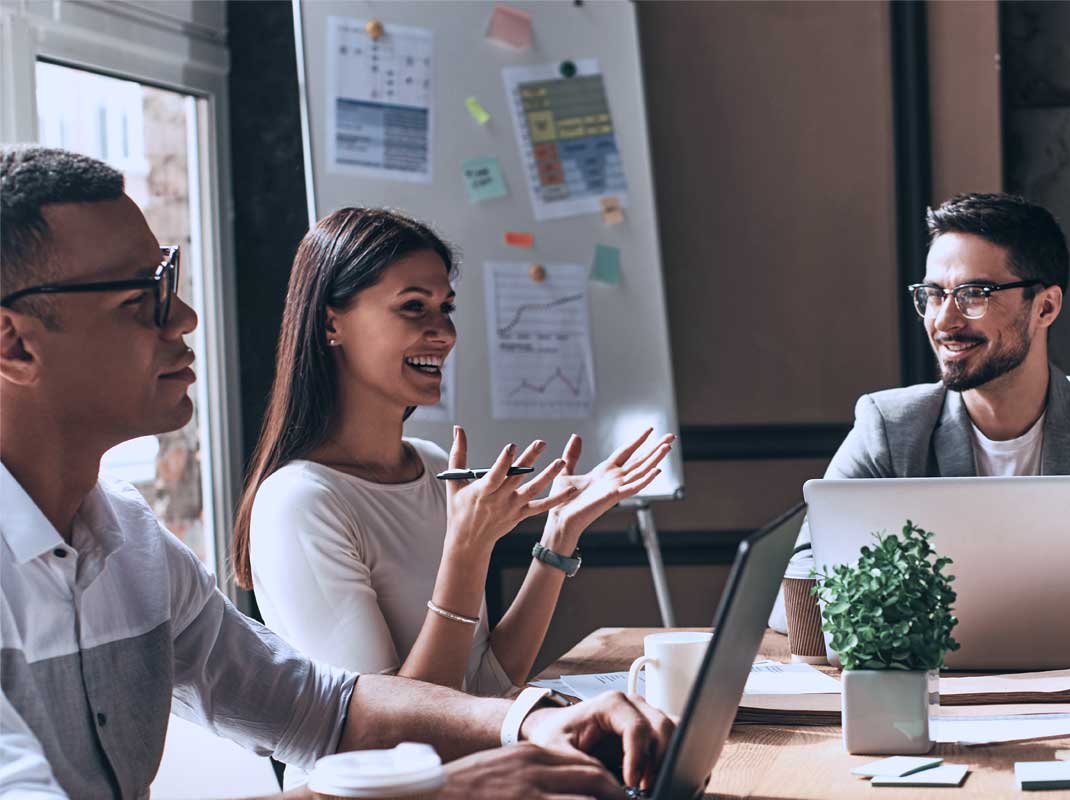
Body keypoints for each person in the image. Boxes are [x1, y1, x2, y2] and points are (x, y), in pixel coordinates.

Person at [0, 145, 671, 799]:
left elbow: (322, 710)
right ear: (14, 343)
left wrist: (533, 721)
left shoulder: (133, 543)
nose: (185, 316)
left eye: (169, 279)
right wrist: (436, 785)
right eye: (141, 296)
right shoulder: (296, 498)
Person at [233, 208, 671, 717]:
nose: (444, 333)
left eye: (446, 308)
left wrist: (559, 536)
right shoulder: (299, 502)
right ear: (333, 322)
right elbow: (392, 731)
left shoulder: (432, 463)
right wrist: (466, 550)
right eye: (413, 307)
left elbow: (484, 684)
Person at [773, 192, 1070, 631]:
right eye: (934, 294)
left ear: (1045, 306)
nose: (944, 320)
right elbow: (797, 588)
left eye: (974, 294)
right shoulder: (889, 429)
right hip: (935, 696)